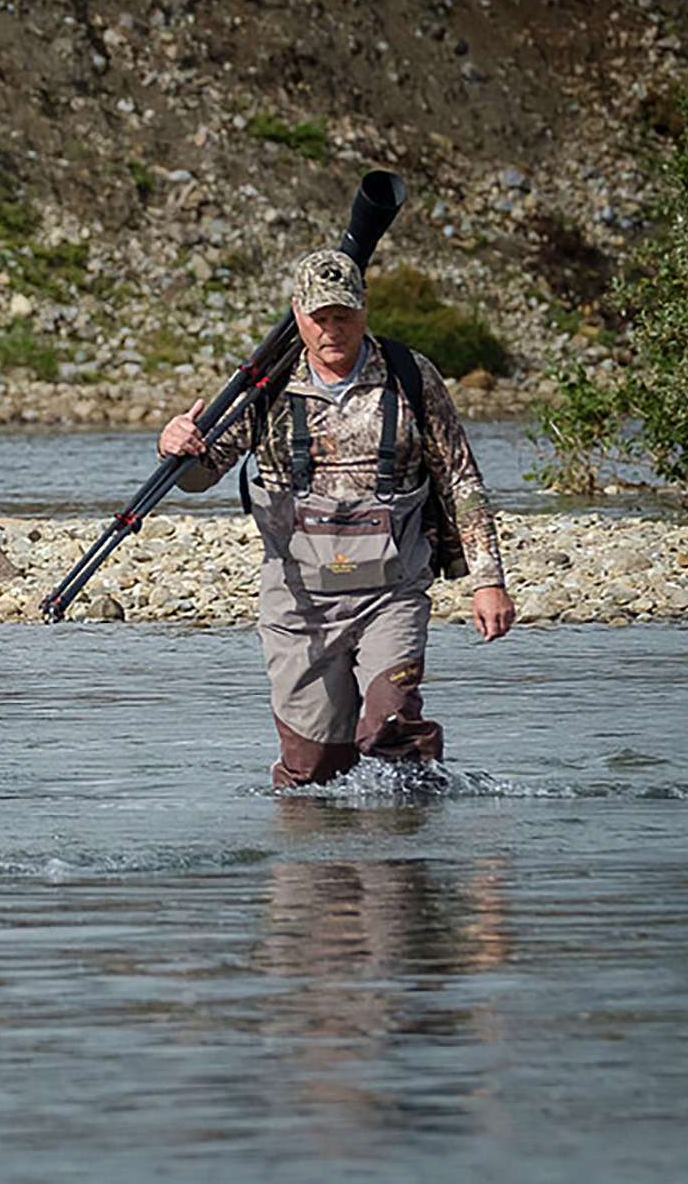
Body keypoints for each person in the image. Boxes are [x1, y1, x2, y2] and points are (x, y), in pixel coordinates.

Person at [158, 248, 516, 789]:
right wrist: (174, 447)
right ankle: (320, 864)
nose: (332, 330)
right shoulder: (263, 386)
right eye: (320, 317)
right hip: (297, 604)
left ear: (365, 308)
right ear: (297, 313)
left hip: (392, 594)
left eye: (343, 315)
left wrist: (488, 581)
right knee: (311, 770)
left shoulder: (410, 376)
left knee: (390, 731)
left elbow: (461, 478)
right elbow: (198, 474)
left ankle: (417, 854)